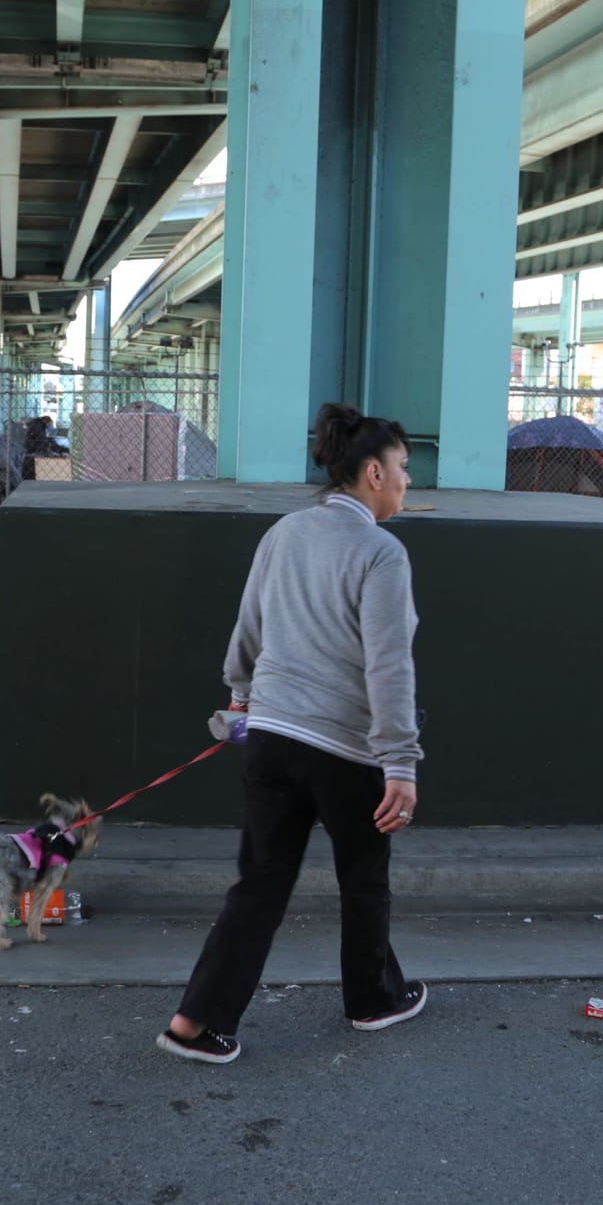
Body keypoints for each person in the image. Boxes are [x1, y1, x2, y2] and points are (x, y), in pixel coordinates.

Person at [157, 402, 426, 1065]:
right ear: (372, 472)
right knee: (363, 875)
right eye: (402, 469)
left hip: (271, 735)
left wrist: (241, 693)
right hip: (342, 747)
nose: (406, 482)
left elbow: (248, 626)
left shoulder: (282, 533)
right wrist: (401, 762)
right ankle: (372, 999)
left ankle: (195, 1020)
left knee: (260, 882)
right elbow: (388, 664)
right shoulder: (382, 553)